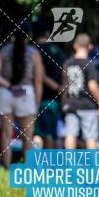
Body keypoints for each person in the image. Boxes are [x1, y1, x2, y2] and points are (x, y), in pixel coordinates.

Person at [0, 20, 44, 167]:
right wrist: (37, 103)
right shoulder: (33, 53)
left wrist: (8, 85)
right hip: (25, 94)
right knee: (27, 136)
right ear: (29, 35)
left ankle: (7, 168)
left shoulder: (4, 51)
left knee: (6, 134)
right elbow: (38, 80)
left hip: (5, 93)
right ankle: (26, 168)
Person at [61, 33, 99, 150]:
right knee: (90, 137)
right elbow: (92, 85)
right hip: (87, 105)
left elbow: (64, 86)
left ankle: (70, 166)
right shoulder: (89, 64)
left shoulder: (67, 64)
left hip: (70, 104)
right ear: (90, 46)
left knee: (70, 134)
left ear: (75, 46)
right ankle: (94, 166)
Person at [33, 19, 67, 149]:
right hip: (56, 100)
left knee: (43, 133)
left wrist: (56, 87)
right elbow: (65, 72)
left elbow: (39, 76)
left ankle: (46, 165)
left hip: (42, 99)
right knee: (54, 134)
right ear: (47, 33)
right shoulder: (58, 50)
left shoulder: (35, 50)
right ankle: (55, 164)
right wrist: (62, 89)